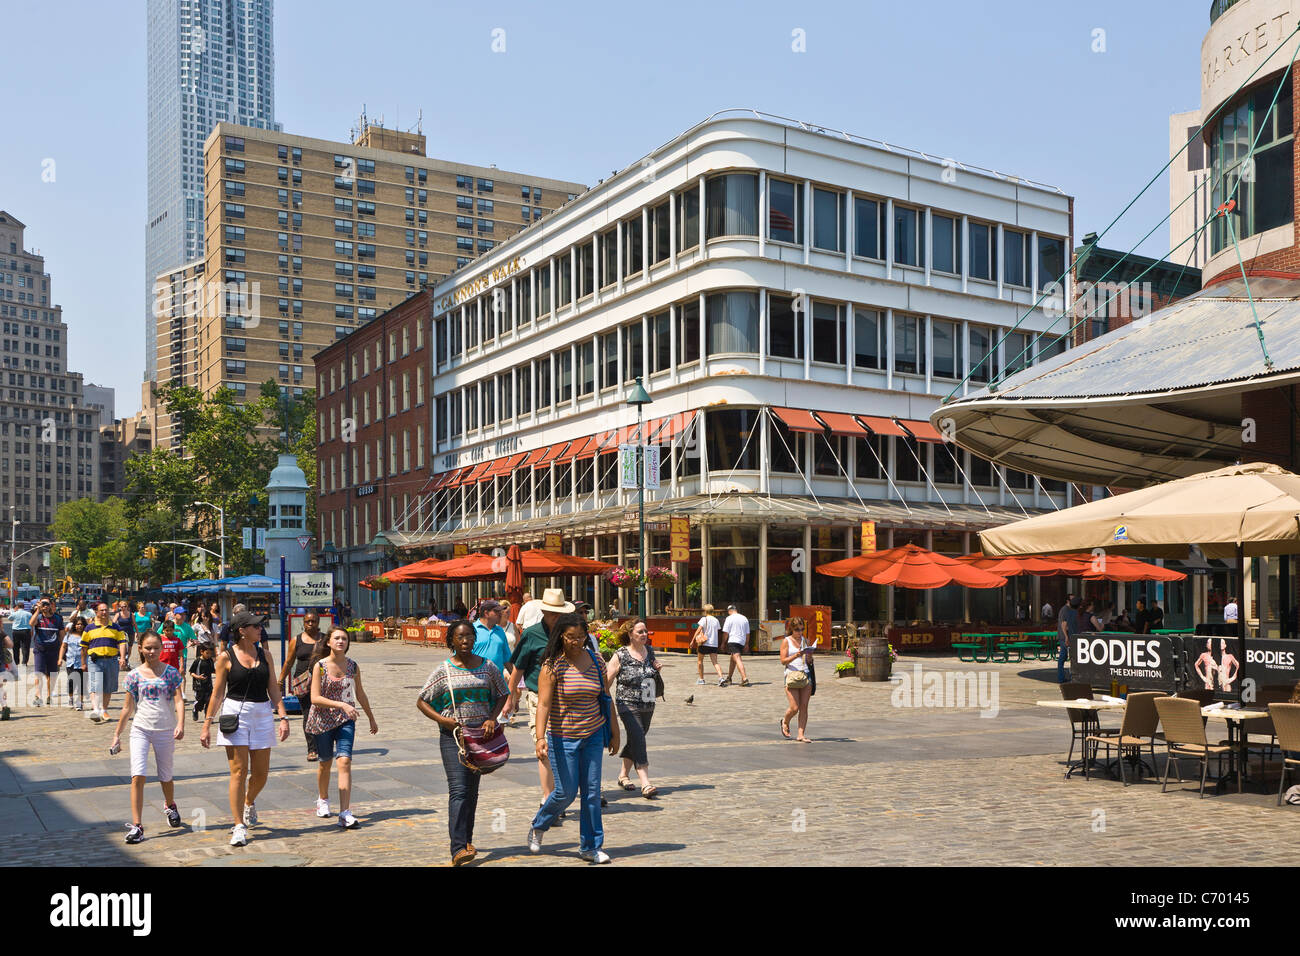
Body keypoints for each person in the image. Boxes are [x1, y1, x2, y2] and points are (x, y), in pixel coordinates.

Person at [527, 612, 618, 863]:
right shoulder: (552, 665)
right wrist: (540, 738)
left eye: (581, 636)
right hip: (562, 737)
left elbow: (606, 697)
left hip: (593, 735)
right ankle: (539, 824)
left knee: (591, 793)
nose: (577, 641)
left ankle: (590, 846)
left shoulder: (597, 660)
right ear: (561, 637)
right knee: (565, 793)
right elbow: (544, 704)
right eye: (571, 637)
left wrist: (614, 731)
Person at [417, 619, 509, 866]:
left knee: (472, 792)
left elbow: (503, 694)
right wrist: (443, 721)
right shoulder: (443, 669)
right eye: (460, 637)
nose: (466, 640)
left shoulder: (488, 667)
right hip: (454, 738)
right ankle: (457, 848)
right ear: (452, 642)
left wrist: (492, 718)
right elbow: (422, 700)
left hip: (481, 738)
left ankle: (466, 841)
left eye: (469, 636)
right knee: (458, 790)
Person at [199, 609, 291, 847]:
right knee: (239, 771)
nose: (261, 629)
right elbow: (218, 693)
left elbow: (273, 688)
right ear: (242, 631)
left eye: (260, 626)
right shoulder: (226, 657)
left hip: (261, 713)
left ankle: (249, 801)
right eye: (256, 626)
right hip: (234, 713)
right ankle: (238, 824)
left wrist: (283, 717)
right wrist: (207, 724)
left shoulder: (266, 655)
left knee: (261, 773)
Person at [111, 632, 185, 844]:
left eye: (155, 648)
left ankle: (170, 805)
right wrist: (117, 735)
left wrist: (180, 723)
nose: (151, 652)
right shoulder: (134, 675)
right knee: (138, 775)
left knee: (166, 777)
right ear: (141, 649)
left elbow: (179, 701)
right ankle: (137, 825)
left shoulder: (171, 673)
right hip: (141, 729)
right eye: (147, 648)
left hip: (165, 730)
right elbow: (127, 708)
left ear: (162, 648)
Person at [307, 626, 377, 829]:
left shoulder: (353, 666)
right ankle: (323, 799)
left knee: (344, 761)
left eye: (344, 639)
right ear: (328, 642)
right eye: (336, 638)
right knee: (325, 762)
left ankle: (345, 812)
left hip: (346, 720)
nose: (340, 641)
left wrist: (371, 717)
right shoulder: (320, 666)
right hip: (322, 720)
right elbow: (315, 698)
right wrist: (341, 704)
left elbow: (360, 693)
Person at [508, 588, 571, 810]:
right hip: (537, 696)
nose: (557, 618)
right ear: (544, 611)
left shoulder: (569, 633)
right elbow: (519, 667)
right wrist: (510, 698)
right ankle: (548, 796)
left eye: (560, 613)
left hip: (567, 698)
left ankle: (563, 790)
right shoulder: (532, 634)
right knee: (543, 745)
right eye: (553, 613)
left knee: (565, 746)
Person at [607, 618, 661, 798]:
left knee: (636, 738)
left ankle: (623, 775)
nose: (644, 634)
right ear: (630, 635)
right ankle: (645, 782)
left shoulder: (650, 651)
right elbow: (607, 681)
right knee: (638, 736)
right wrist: (602, 699)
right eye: (640, 632)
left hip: (648, 702)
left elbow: (651, 673)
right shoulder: (620, 654)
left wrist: (656, 669)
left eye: (646, 631)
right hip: (627, 703)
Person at [278, 611, 324, 761]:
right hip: (303, 683)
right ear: (303, 623)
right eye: (307, 621)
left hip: (322, 681)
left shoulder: (324, 639)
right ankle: (312, 749)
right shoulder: (296, 640)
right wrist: (280, 680)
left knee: (321, 713)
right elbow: (289, 662)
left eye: (313, 621)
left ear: (318, 623)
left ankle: (323, 744)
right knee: (308, 714)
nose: (310, 624)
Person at [780, 616, 815, 742]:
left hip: (805, 674)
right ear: (792, 629)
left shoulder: (805, 640)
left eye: (802, 629)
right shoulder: (786, 641)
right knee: (794, 707)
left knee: (804, 706)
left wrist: (810, 656)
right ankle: (785, 721)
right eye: (797, 630)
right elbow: (783, 661)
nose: (800, 632)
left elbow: (809, 661)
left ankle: (801, 734)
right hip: (791, 675)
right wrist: (796, 655)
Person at [29, 598, 65, 707]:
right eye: (43, 604)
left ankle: (49, 695)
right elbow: (31, 623)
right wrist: (37, 610)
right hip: (40, 650)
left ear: (51, 605)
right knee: (38, 673)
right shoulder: (38, 617)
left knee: (52, 674)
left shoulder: (58, 619)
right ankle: (38, 696)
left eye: (47, 604)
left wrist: (62, 653)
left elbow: (62, 637)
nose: (45, 606)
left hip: (54, 650)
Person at [57, 616, 88, 710]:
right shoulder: (69, 635)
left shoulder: (86, 636)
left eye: (81, 624)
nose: (79, 626)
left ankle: (80, 702)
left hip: (82, 663)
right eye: (78, 624)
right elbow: (63, 646)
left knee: (82, 683)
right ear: (74, 625)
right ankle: (70, 698)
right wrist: (60, 658)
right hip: (70, 662)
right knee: (71, 681)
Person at [472, 599, 510, 674]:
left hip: (498, 682)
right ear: (486, 613)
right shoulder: (471, 630)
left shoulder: (500, 631)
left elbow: (507, 658)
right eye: (497, 612)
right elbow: (461, 658)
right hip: (477, 680)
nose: (500, 614)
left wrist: (517, 682)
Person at [692, 603, 724, 685]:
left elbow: (698, 630)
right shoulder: (716, 620)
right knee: (715, 662)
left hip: (704, 644)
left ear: (705, 611)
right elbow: (717, 631)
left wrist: (692, 640)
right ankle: (721, 678)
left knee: (700, 661)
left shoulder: (704, 619)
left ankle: (701, 679)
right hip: (713, 644)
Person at [721, 604, 752, 687]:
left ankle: (744, 678)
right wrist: (746, 644)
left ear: (729, 611)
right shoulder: (744, 618)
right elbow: (747, 633)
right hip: (741, 641)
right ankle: (729, 678)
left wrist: (723, 643)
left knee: (737, 659)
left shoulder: (729, 618)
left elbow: (726, 633)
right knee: (733, 658)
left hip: (733, 641)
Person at [1057, 595, 1081, 684]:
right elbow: (1064, 624)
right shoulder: (1065, 610)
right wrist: (1066, 636)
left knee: (1064, 657)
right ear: (1068, 601)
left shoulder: (1071, 610)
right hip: (1065, 637)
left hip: (1066, 637)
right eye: (1072, 599)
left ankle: (1062, 677)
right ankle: (1065, 677)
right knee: (1069, 658)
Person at [189, 641, 215, 721]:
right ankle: (195, 710)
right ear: (201, 652)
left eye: (210, 653)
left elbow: (212, 670)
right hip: (199, 686)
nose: (209, 655)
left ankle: (207, 716)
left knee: (209, 701)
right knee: (200, 701)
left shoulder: (210, 660)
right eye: (207, 653)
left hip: (208, 685)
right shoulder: (197, 661)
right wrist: (198, 677)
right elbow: (191, 673)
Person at [8, 601, 32, 667]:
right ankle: (24, 662)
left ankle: (16, 662)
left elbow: (9, 618)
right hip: (26, 631)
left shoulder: (15, 613)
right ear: (24, 607)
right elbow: (32, 620)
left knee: (16, 647)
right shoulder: (28, 613)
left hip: (16, 631)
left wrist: (14, 611)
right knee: (25, 647)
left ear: (17, 607)